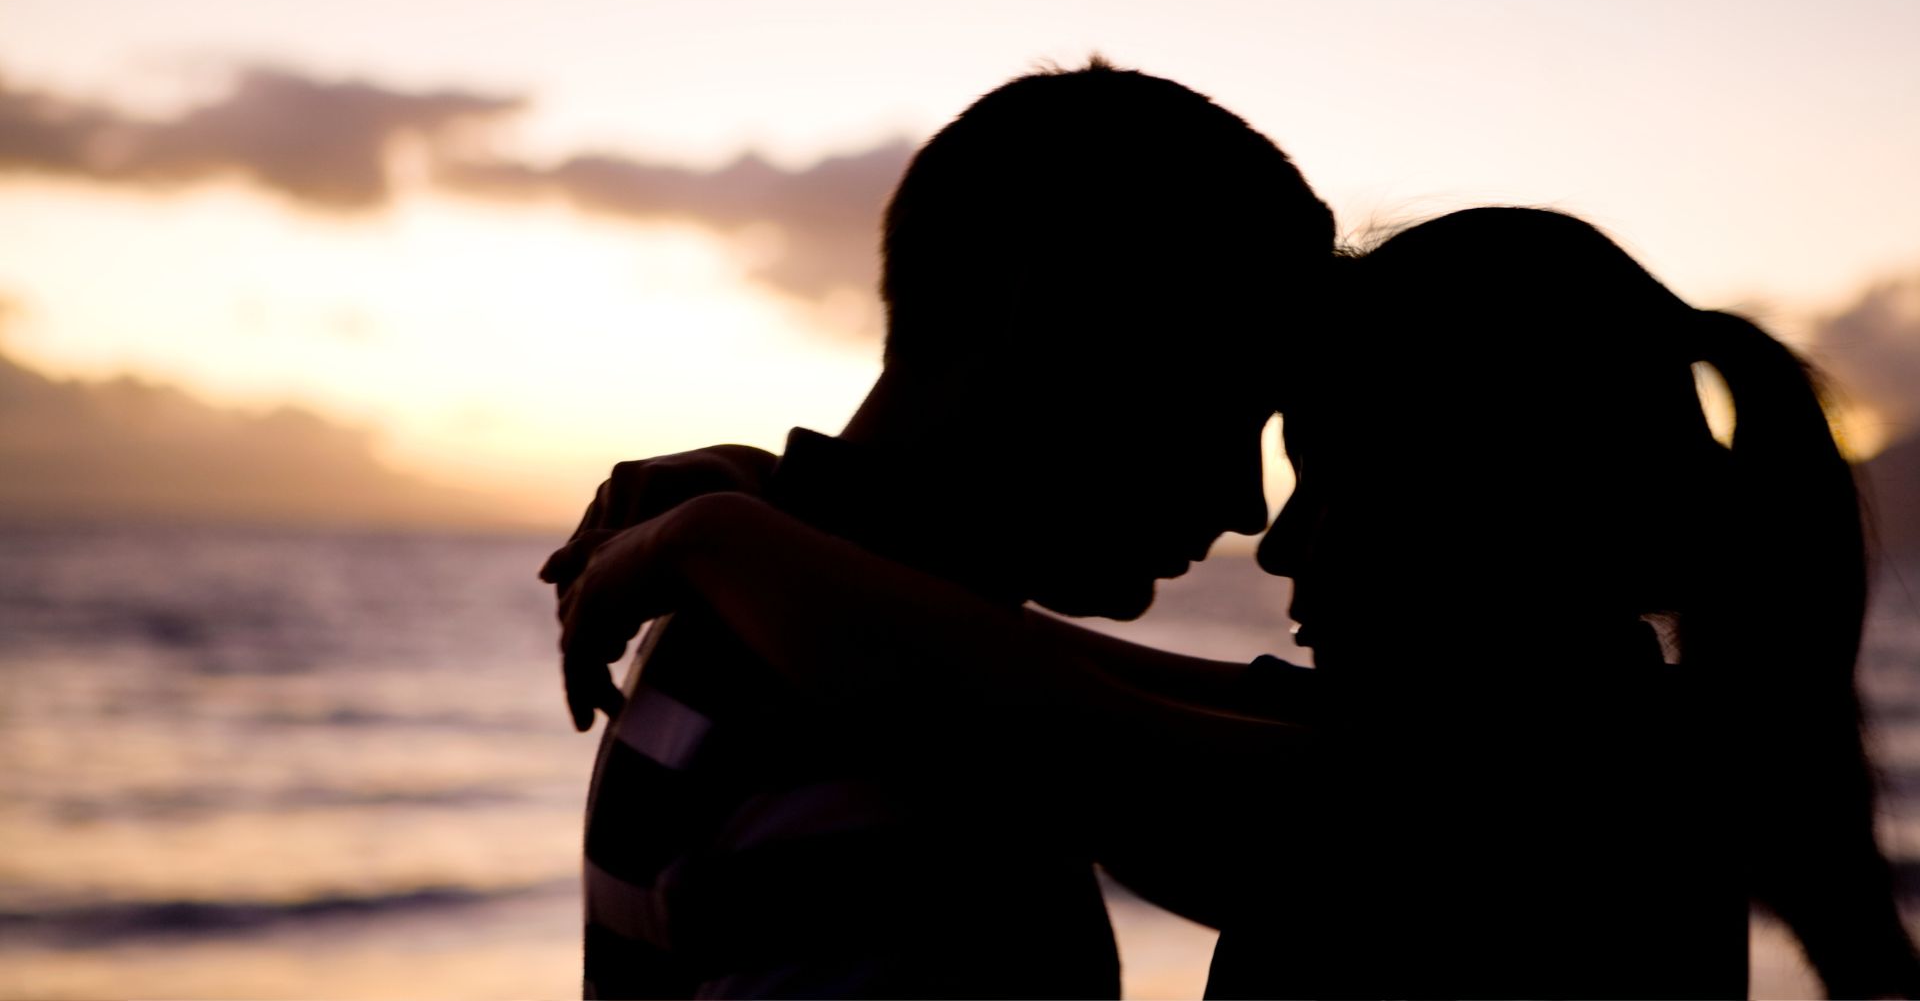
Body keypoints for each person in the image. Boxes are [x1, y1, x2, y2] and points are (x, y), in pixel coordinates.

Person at [549, 207, 1920, 997]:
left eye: (1336, 484)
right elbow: (1034, 662)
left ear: (1497, 499)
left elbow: (1049, 720)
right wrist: (771, 511)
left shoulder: (1560, 802)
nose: (1279, 546)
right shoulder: (1555, 740)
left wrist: (730, 532)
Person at [544, 59, 1335, 998]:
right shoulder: (895, 754)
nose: (1248, 507)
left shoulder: (824, 654)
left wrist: (741, 525)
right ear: (1054, 319)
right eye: (1224, 409)